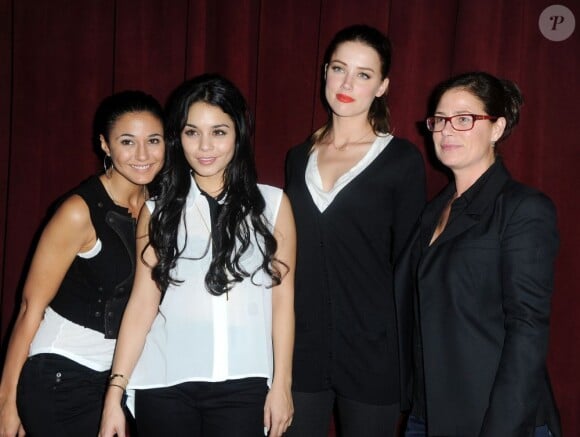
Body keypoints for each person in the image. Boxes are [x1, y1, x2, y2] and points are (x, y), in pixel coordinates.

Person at [98, 73, 295, 437]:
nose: (205, 146)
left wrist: (282, 383)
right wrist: (115, 393)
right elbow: (142, 304)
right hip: (165, 382)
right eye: (192, 132)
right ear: (179, 137)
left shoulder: (273, 205)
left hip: (244, 384)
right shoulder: (157, 211)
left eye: (218, 132)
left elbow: (283, 301)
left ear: (238, 134)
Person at [395, 71, 562, 436]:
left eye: (464, 119)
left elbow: (527, 330)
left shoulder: (522, 209)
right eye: (439, 120)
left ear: (497, 128)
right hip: (427, 415)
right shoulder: (432, 212)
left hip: (493, 419)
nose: (446, 130)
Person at [284, 24, 426, 437]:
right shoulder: (298, 158)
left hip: (373, 350)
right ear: (324, 72)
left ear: (382, 86)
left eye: (363, 74)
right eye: (339, 68)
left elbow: (409, 263)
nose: (347, 84)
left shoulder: (401, 160)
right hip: (302, 348)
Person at [0, 90, 165, 436]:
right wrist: (6, 402)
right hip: (62, 374)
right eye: (127, 141)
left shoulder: (161, 208)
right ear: (105, 145)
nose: (143, 155)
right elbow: (31, 307)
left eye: (153, 140)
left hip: (118, 381)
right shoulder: (80, 211)